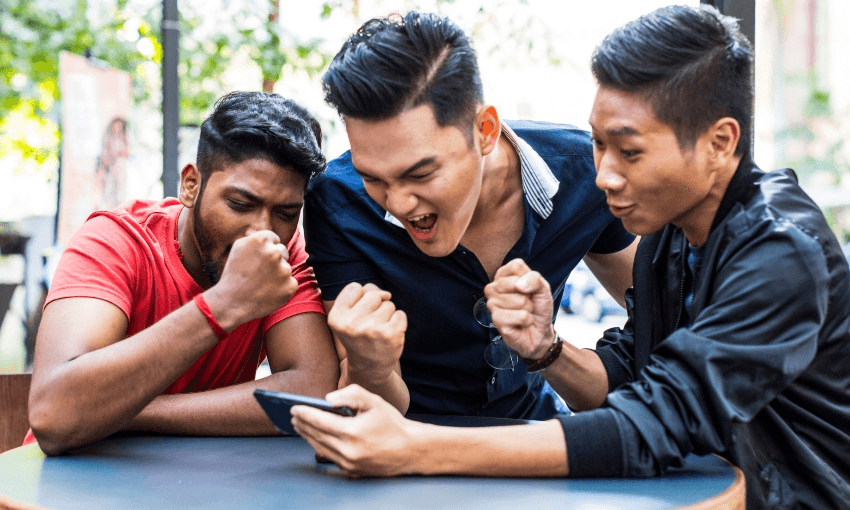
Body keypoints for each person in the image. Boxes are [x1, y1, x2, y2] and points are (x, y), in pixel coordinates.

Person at [291, 6, 850, 509]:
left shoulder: (781, 250)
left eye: (629, 151)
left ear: (720, 143)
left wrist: (416, 446)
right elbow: (633, 378)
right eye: (599, 145)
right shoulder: (670, 231)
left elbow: (654, 425)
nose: (603, 175)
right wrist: (547, 348)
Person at [303, 11, 637, 420]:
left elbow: (661, 311)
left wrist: (551, 349)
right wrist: (368, 365)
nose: (399, 202)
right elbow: (369, 409)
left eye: (421, 173)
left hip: (537, 436)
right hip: (408, 448)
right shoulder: (338, 203)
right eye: (372, 177)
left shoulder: (583, 174)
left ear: (485, 130)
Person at [27, 91, 339, 455]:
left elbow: (313, 389)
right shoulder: (115, 241)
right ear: (191, 185)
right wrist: (223, 305)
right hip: (64, 488)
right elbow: (54, 416)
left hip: (196, 482)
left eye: (286, 213)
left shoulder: (284, 253)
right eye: (240, 204)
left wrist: (123, 410)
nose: (263, 232)